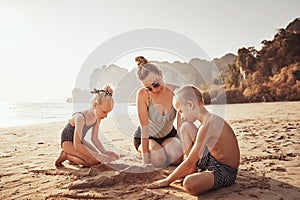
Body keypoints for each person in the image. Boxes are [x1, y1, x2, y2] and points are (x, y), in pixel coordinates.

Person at [148, 85, 240, 195]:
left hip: (225, 170)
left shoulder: (209, 125)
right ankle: (191, 170)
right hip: (212, 159)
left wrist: (168, 181)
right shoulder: (206, 122)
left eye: (181, 111)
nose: (181, 116)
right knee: (185, 127)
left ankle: (191, 172)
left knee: (189, 184)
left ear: (190, 105)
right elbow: (192, 157)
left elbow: (191, 160)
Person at [133, 56, 183, 167]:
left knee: (177, 158)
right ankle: (144, 151)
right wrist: (145, 162)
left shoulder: (177, 92)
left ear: (160, 74)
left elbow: (181, 127)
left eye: (156, 84)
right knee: (158, 159)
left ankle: (163, 151)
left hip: (169, 134)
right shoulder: (142, 95)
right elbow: (144, 128)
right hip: (147, 137)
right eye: (149, 88)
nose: (154, 90)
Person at [55, 85, 119, 167]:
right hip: (68, 141)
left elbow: (94, 138)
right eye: (104, 112)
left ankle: (74, 158)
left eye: (108, 113)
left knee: (98, 160)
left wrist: (104, 152)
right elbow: (77, 144)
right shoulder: (80, 117)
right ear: (95, 105)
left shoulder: (96, 118)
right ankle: (66, 155)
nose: (106, 116)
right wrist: (98, 155)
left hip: (79, 141)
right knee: (91, 161)